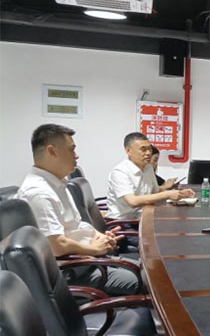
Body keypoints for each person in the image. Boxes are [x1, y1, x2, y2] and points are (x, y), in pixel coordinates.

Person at [14, 124, 140, 295]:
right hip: (75, 272)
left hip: (88, 261)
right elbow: (57, 245)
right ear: (52, 151)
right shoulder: (39, 193)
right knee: (151, 280)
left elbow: (76, 226)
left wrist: (100, 237)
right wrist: (94, 249)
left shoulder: (57, 184)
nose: (76, 155)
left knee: (148, 268)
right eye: (71, 149)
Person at [106, 132, 194, 220]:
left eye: (149, 149)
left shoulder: (148, 167)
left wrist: (179, 193)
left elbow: (156, 191)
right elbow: (133, 201)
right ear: (128, 151)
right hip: (123, 222)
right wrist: (167, 194)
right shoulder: (120, 172)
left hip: (144, 216)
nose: (148, 153)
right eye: (143, 150)